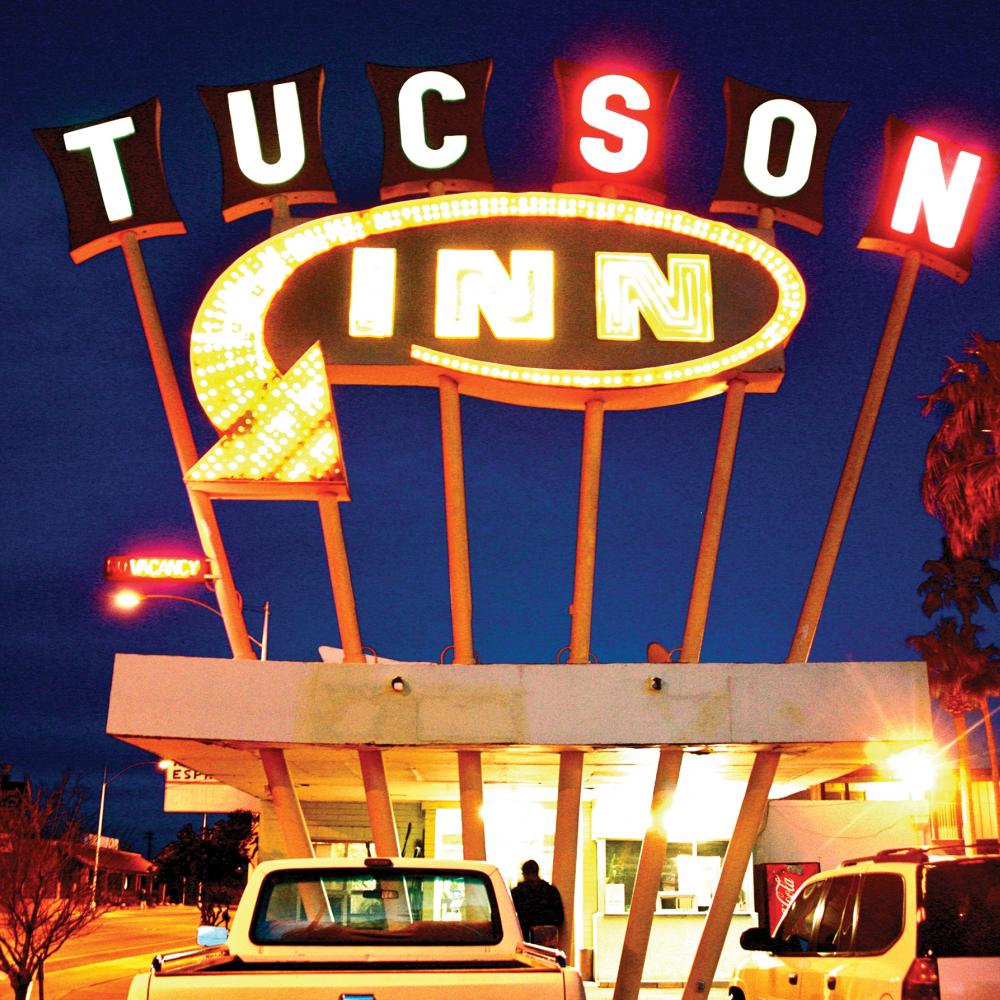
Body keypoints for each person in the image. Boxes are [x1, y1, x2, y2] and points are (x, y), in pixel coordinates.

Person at [511, 859, 564, 946]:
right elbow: (559, 918)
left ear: (524, 874)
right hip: (547, 943)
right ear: (537, 872)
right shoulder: (551, 891)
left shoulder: (517, 893)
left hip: (524, 941)